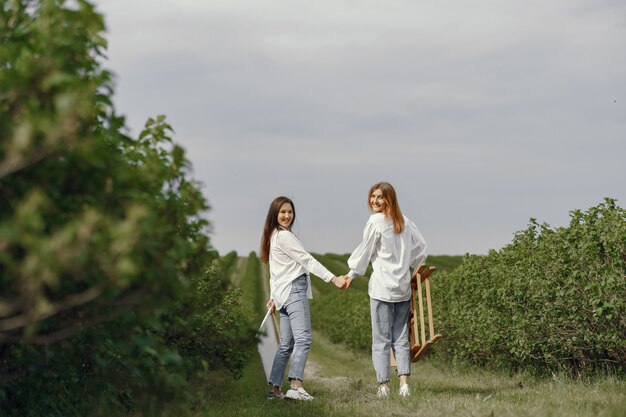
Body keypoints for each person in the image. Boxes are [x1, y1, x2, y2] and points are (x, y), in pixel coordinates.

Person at [260, 196, 348, 401]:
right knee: (304, 339)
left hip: (283, 294)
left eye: (290, 212)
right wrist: (333, 278)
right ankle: (296, 386)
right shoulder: (284, 236)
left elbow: (275, 271)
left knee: (286, 345)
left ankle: (275, 391)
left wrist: (273, 297)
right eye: (282, 212)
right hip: (293, 291)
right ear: (275, 214)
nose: (287, 216)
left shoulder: (274, 235)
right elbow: (307, 260)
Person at [345, 182, 427, 398]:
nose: (375, 201)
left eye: (380, 197)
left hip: (382, 289)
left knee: (381, 339)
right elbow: (421, 250)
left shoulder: (376, 221)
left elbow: (365, 251)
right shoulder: (406, 222)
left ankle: (383, 385)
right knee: (400, 338)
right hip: (402, 289)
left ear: (389, 199)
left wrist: (352, 273)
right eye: (373, 197)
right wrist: (412, 268)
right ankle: (404, 384)